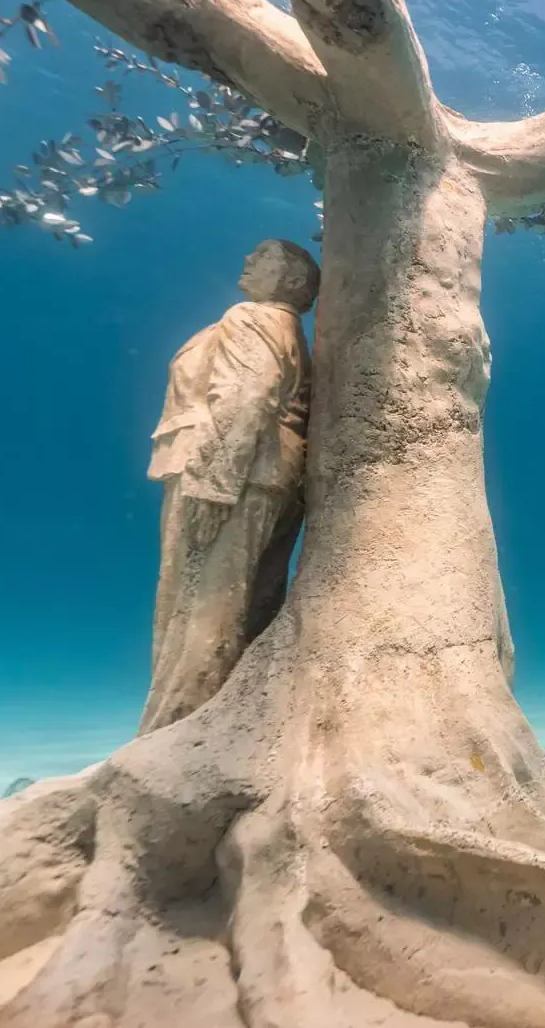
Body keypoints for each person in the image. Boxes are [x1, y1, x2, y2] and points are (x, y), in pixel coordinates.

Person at [143, 238, 316, 734]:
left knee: (197, 610)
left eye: (262, 256)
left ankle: (176, 733)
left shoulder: (254, 317)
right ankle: (238, 727)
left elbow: (245, 395)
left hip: (230, 475)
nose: (247, 261)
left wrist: (214, 485)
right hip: (269, 476)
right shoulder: (288, 329)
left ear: (292, 280)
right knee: (246, 605)